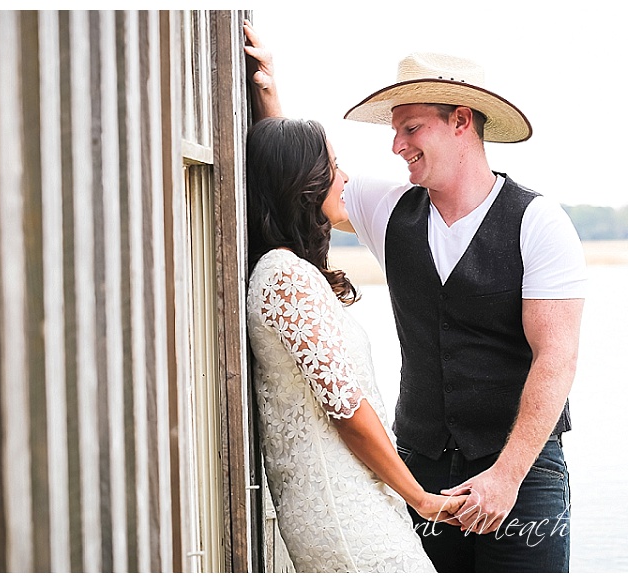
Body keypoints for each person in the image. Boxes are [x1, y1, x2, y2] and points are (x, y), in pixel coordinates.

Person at [244, 21, 586, 573]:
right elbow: (296, 176)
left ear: (460, 121)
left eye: (411, 127)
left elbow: (557, 359)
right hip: (420, 468)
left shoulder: (537, 222)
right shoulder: (390, 209)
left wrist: (506, 475)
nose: (396, 145)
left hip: (524, 475)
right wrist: (268, 93)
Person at [246, 116, 465, 573]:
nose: (344, 177)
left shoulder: (290, 270)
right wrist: (419, 497)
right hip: (344, 516)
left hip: (356, 501)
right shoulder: (286, 277)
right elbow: (346, 410)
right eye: (333, 165)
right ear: (302, 183)